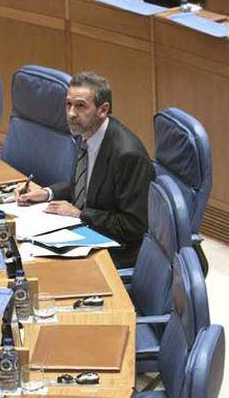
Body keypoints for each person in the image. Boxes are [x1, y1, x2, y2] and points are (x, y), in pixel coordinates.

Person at [17, 71, 155, 268]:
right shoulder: (86, 135)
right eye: (68, 104)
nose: (71, 113)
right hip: (87, 232)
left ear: (103, 110)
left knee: (39, 267)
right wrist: (47, 193)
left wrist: (80, 214)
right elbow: (86, 187)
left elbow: (134, 226)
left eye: (80, 106)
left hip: (118, 250)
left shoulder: (127, 155)